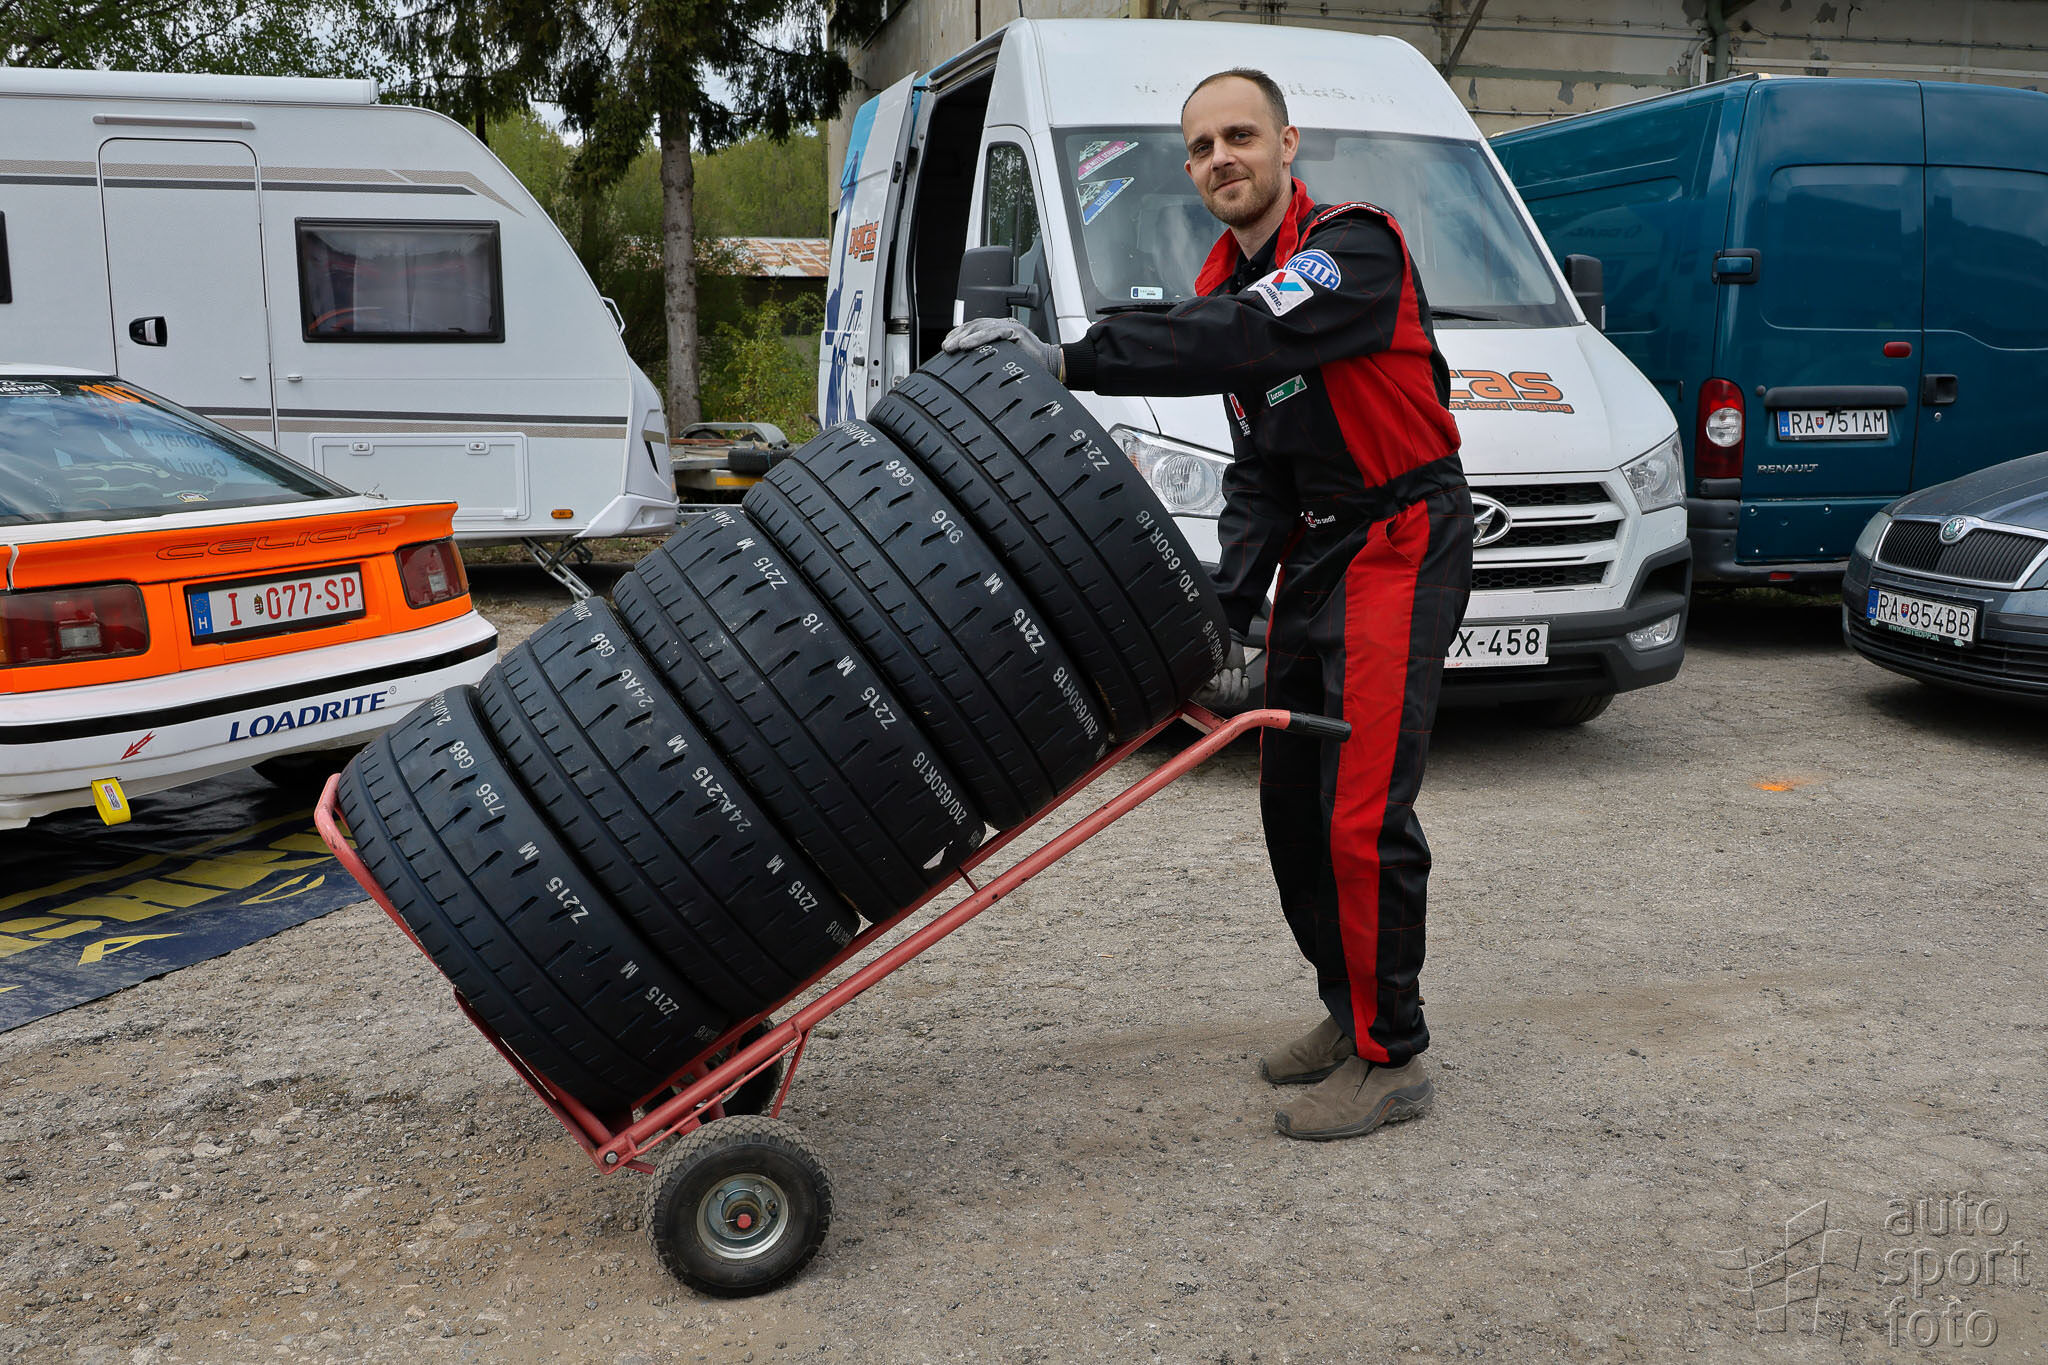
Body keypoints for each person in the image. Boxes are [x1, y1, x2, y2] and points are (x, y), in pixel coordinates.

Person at [943, 67, 1473, 1142]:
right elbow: (1261, 473)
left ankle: (1391, 1056)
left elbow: (1240, 337)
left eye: (1240, 136)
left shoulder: (1350, 249)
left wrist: (1067, 358)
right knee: (1290, 804)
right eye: (1200, 147)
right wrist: (1220, 609)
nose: (1221, 159)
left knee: (1361, 810)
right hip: (1320, 547)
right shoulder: (1226, 278)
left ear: (1287, 143)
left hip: (1402, 538)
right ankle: (1347, 1008)